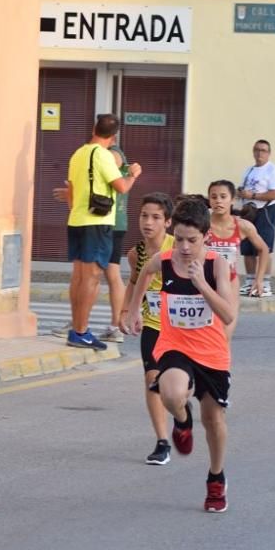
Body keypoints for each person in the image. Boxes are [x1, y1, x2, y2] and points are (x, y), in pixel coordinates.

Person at [126, 197, 236, 513]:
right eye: (182, 240)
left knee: (213, 419)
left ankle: (216, 478)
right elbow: (143, 273)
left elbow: (228, 315)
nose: (185, 248)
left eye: (193, 241)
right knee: (172, 394)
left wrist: (201, 283)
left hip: (212, 353)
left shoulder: (216, 265)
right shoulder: (165, 259)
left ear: (206, 238)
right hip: (175, 345)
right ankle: (182, 420)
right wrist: (133, 310)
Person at [59, 114, 141, 350]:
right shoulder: (104, 155)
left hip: (76, 220)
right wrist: (133, 174)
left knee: (78, 277)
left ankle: (77, 329)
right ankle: (81, 331)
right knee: (92, 278)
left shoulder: (77, 154)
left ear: (94, 128)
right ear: (113, 136)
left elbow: (71, 194)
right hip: (97, 222)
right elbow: (122, 186)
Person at [118, 192, 175, 465]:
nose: (148, 222)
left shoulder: (179, 248)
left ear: (168, 222)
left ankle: (180, 404)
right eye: (144, 216)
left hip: (182, 329)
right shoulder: (136, 254)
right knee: (152, 380)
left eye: (155, 217)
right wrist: (126, 311)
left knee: (175, 388)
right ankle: (162, 442)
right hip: (153, 324)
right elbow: (132, 283)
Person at [207, 180, 270, 337]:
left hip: (230, 282)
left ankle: (222, 360)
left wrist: (259, 279)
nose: (218, 201)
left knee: (225, 333)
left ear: (232, 200)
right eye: (214, 197)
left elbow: (264, 249)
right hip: (205, 282)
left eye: (223, 196)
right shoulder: (201, 224)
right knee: (205, 333)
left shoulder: (242, 226)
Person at [236, 139, 275, 297]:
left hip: (266, 210)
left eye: (263, 150)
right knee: (247, 247)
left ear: (268, 153)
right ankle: (249, 281)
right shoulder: (249, 170)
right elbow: (242, 188)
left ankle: (266, 283)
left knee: (265, 247)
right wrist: (241, 193)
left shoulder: (272, 171)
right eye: (257, 150)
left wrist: (253, 195)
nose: (259, 153)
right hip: (249, 211)